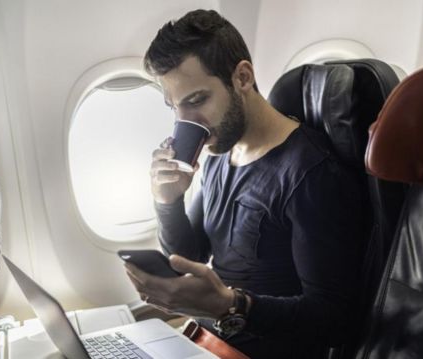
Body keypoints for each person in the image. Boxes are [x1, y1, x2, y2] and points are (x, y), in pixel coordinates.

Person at [124, 9, 366, 358]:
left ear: (242, 77)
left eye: (197, 100)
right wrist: (167, 201)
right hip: (206, 342)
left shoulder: (310, 175)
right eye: (174, 107)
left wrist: (231, 306)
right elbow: (190, 255)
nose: (187, 122)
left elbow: (334, 320)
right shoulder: (220, 156)